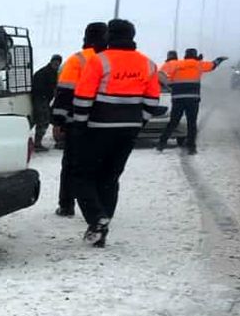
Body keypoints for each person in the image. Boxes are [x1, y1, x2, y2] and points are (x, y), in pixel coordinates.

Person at [67, 18, 166, 246]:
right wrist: (137, 122)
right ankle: (102, 225)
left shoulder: (99, 61)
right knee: (110, 177)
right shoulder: (148, 64)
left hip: (98, 129)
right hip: (128, 130)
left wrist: (80, 125)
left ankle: (97, 219)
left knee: (82, 176)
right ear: (132, 36)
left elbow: (83, 97)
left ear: (109, 37)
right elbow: (152, 101)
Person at [50, 22, 109, 217]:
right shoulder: (110, 60)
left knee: (71, 166)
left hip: (77, 123)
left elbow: (64, 93)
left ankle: (67, 205)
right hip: (103, 123)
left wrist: (58, 121)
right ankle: (98, 205)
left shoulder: (76, 60)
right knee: (99, 166)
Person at [156, 48, 227, 154]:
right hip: (192, 99)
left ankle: (161, 144)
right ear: (195, 55)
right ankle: (191, 147)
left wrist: (169, 84)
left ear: (185, 55)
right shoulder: (198, 64)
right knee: (191, 123)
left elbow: (160, 74)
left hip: (178, 98)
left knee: (173, 122)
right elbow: (213, 65)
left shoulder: (176, 64)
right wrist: (220, 59)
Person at [29, 55, 61, 151]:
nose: (56, 65)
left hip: (42, 99)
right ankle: (37, 144)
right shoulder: (46, 73)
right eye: (55, 63)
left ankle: (33, 141)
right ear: (51, 62)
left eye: (58, 63)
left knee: (37, 119)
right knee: (43, 120)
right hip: (41, 99)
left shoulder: (50, 72)